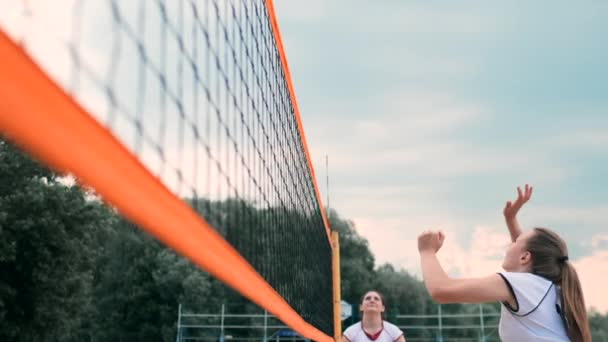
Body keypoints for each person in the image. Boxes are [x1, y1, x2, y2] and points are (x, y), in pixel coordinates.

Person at [417, 184, 591, 342]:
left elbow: (441, 290)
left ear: (525, 257)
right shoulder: (549, 289)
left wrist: (427, 251)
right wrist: (511, 219)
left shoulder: (523, 285)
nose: (510, 244)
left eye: (515, 242)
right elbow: (528, 260)